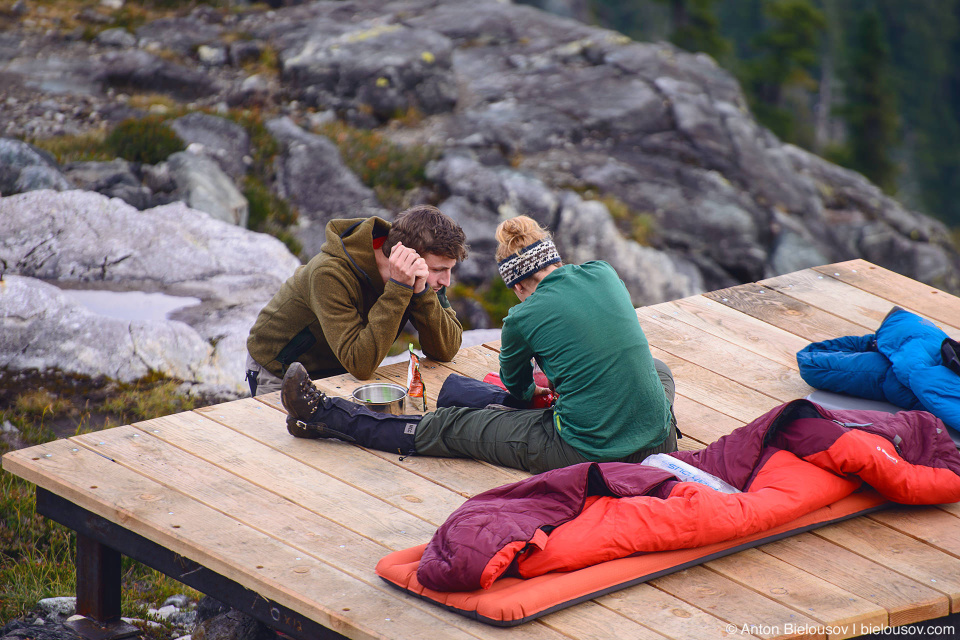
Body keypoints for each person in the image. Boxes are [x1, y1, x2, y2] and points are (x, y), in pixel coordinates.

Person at [281, 215, 678, 474]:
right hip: (661, 437)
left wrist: (537, 395)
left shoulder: (523, 316)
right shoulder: (603, 272)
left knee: (453, 427)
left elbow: (519, 388)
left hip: (588, 449)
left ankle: (324, 416)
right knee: (658, 370)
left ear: (519, 286)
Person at [245, 205, 468, 396]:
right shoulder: (329, 273)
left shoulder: (423, 276)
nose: (446, 281)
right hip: (280, 370)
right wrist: (399, 288)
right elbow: (360, 363)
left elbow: (446, 350)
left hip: (341, 371)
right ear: (407, 257)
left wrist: (422, 294)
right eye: (439, 269)